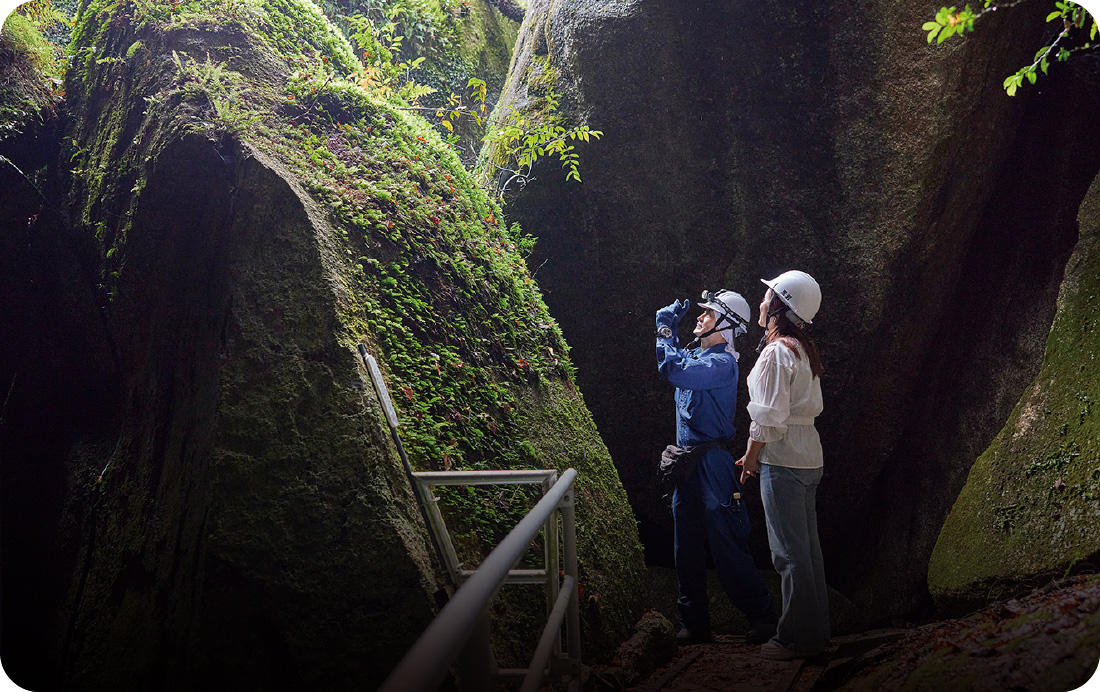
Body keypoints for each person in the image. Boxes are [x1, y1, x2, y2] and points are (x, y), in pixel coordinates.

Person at [656, 290, 778, 645]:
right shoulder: (698, 355)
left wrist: (665, 328)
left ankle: (763, 617)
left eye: (708, 314)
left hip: (713, 462)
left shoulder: (722, 364)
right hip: (685, 462)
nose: (700, 317)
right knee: (686, 546)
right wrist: (671, 336)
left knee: (727, 542)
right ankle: (694, 623)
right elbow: (678, 362)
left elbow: (673, 369)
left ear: (726, 325)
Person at [735, 270, 829, 660]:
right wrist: (754, 450)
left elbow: (770, 416)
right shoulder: (803, 349)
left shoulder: (777, 351)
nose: (761, 302)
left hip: (784, 458)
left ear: (779, 304)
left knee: (788, 554)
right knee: (807, 552)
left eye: (767, 295)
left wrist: (751, 459)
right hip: (809, 457)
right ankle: (816, 635)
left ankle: (796, 640)